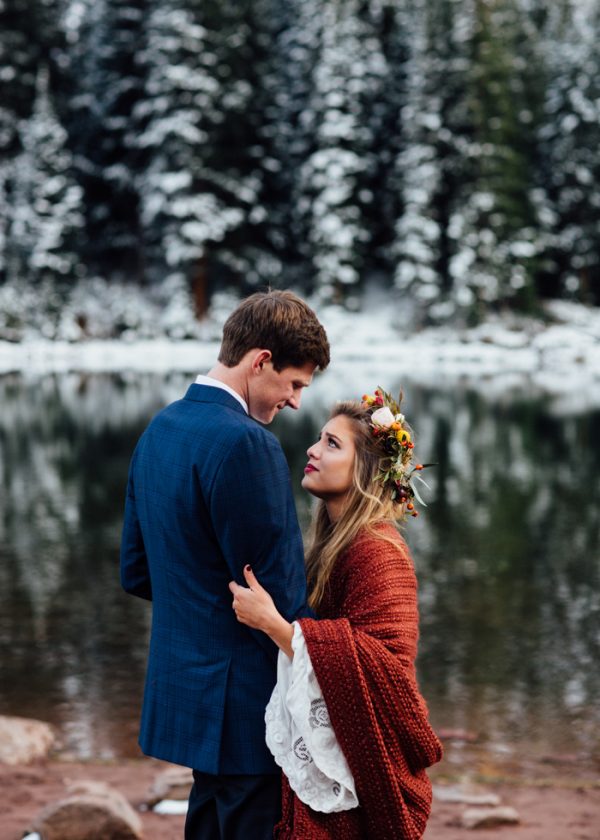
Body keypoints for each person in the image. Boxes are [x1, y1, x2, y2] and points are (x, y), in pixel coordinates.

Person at [120, 290, 330, 840]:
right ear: (260, 361)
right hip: (247, 710)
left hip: (189, 698)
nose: (295, 403)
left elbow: (137, 572)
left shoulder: (160, 428)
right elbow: (282, 598)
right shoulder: (247, 446)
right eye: (294, 384)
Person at [229, 389, 443, 839]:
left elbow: (385, 667)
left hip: (363, 759)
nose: (312, 449)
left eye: (332, 444)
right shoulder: (329, 546)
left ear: (365, 468)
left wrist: (272, 623)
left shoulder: (380, 552)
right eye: (318, 439)